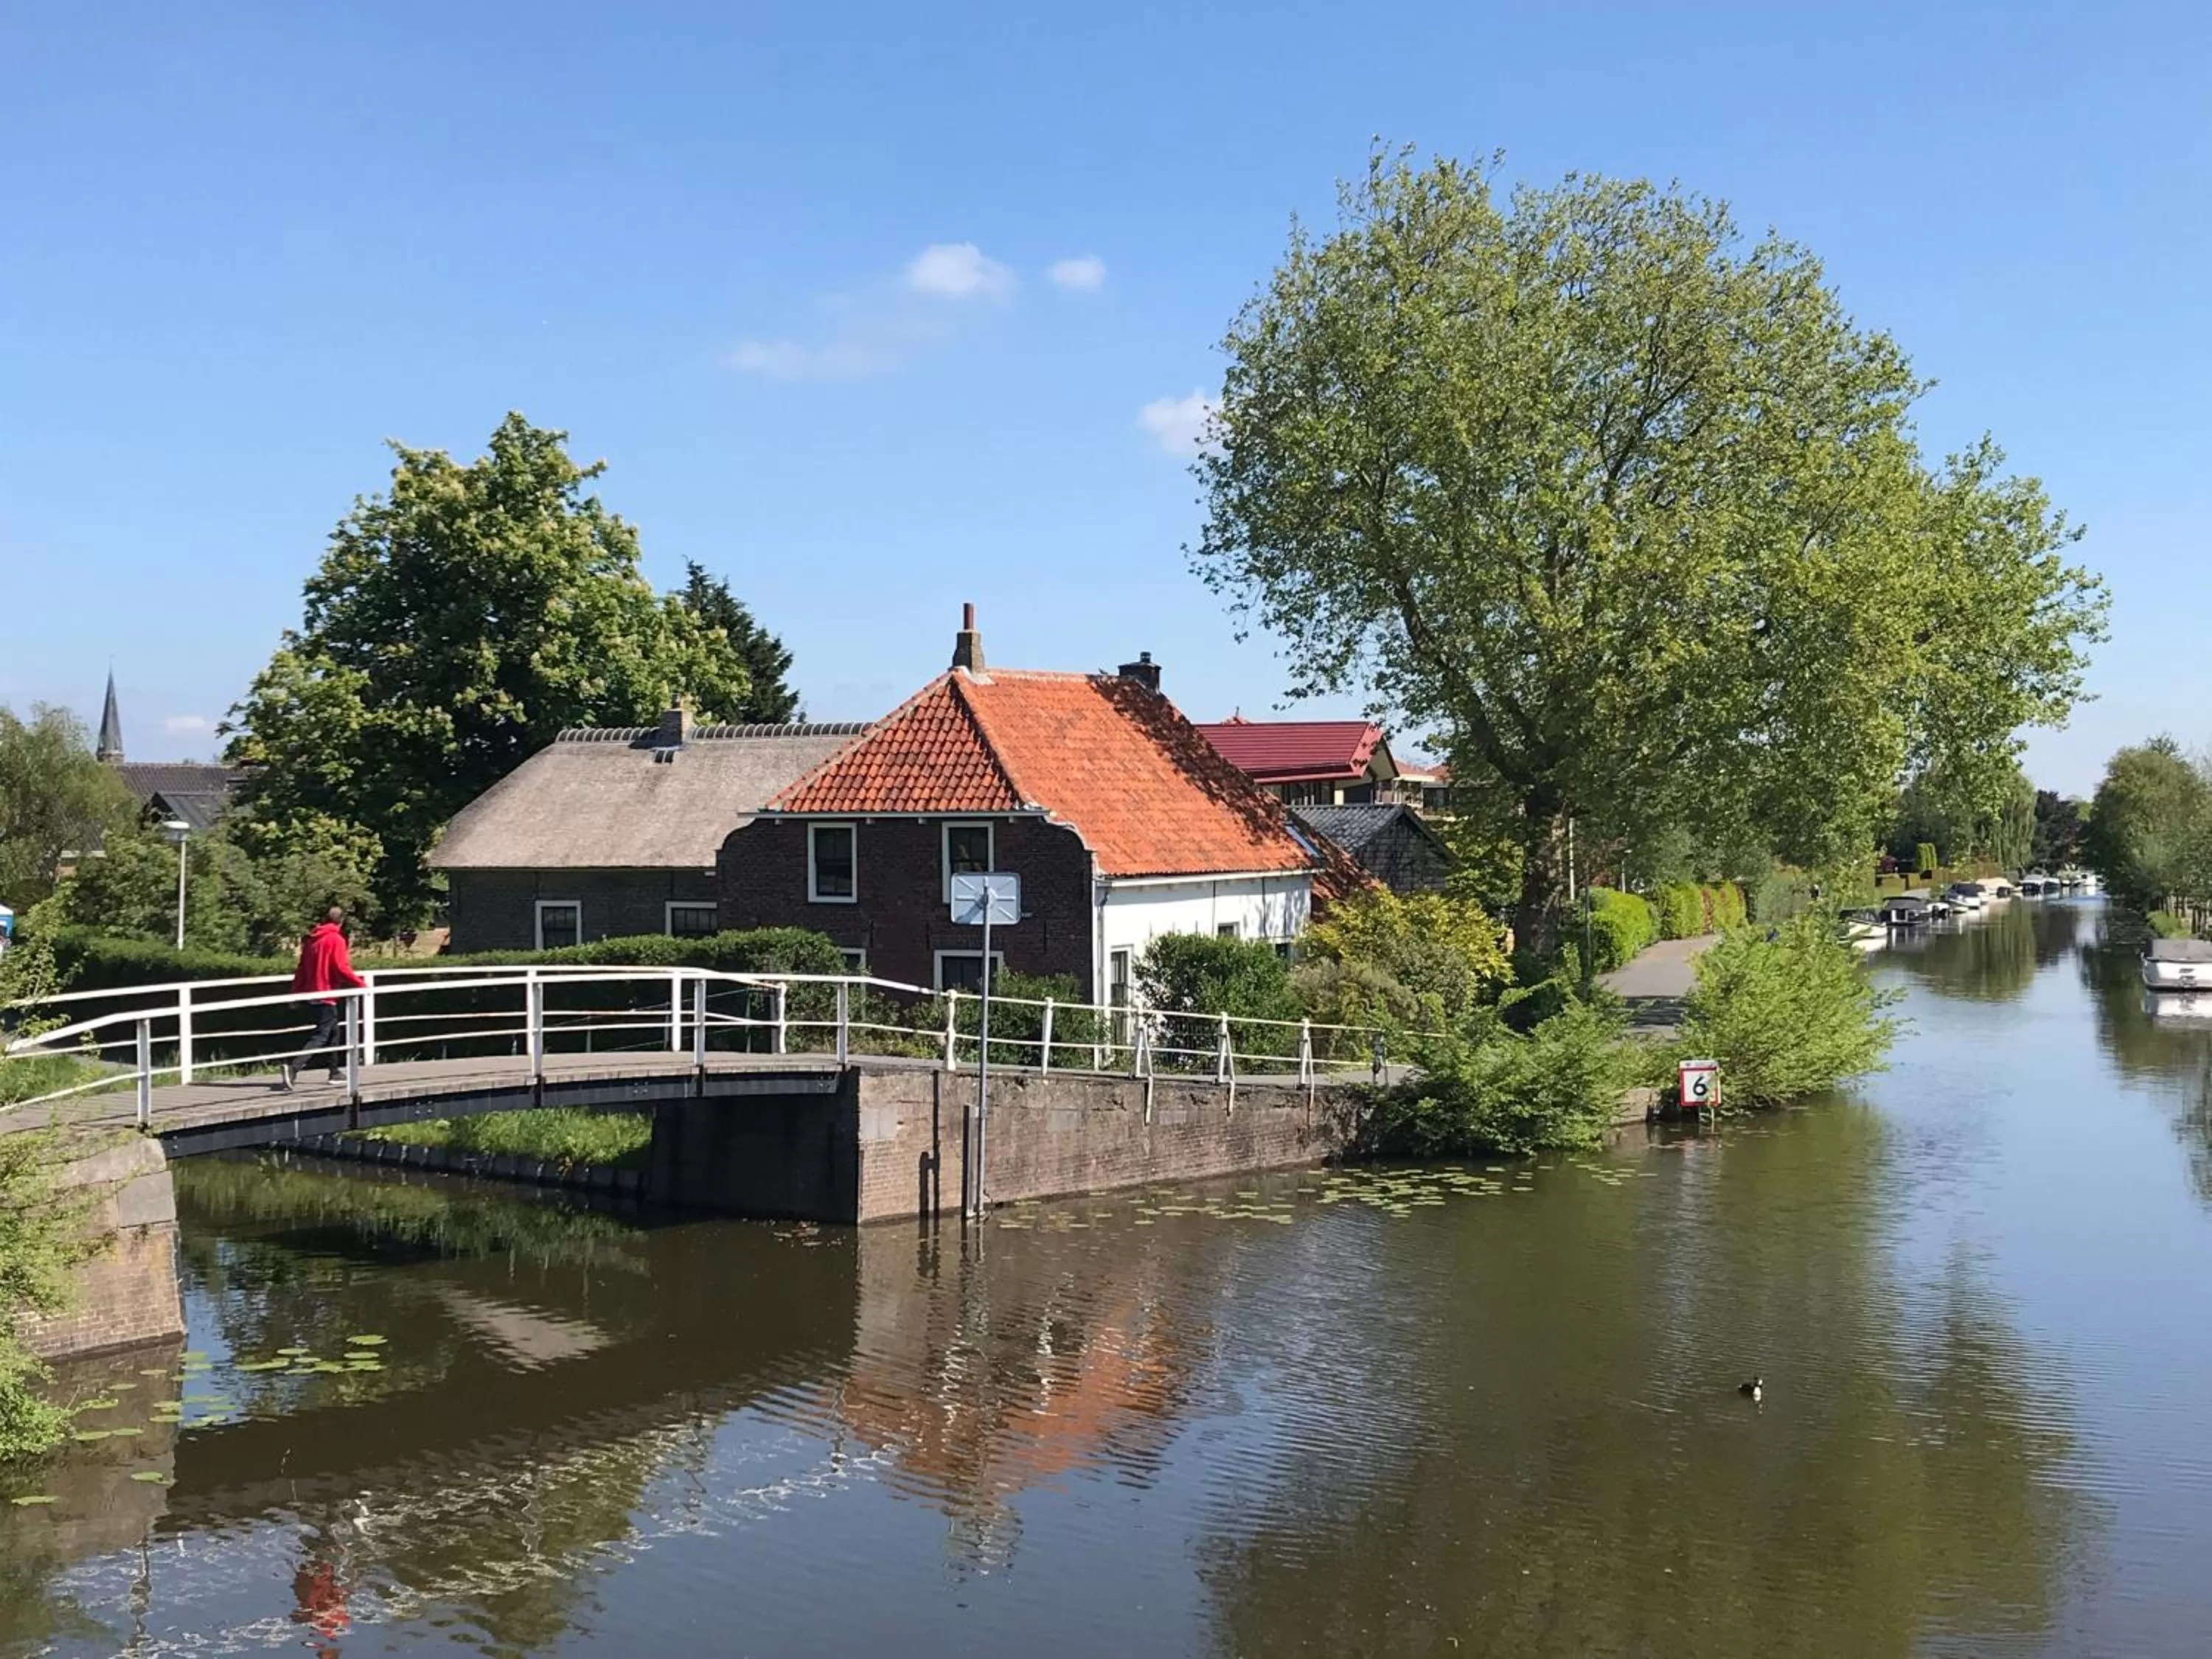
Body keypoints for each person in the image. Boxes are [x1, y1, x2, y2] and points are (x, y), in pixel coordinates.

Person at [279, 906, 365, 1091]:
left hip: (313, 994)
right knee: (323, 1034)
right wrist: (361, 985)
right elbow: (341, 967)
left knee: (333, 1031)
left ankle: (334, 1072)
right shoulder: (336, 939)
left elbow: (301, 970)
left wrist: (295, 995)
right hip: (327, 994)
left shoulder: (312, 940)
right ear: (341, 922)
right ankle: (293, 1068)